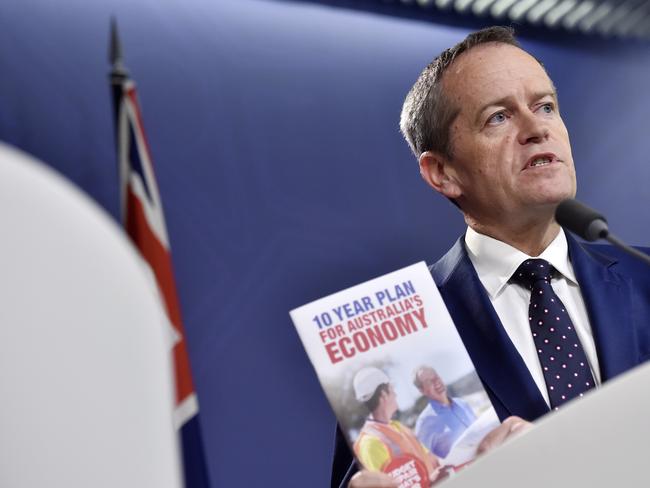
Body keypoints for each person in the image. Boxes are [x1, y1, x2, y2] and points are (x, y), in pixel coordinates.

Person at [332, 26, 650, 488]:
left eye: (545, 107)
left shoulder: (645, 277)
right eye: (498, 117)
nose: (537, 128)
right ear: (442, 172)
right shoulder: (397, 335)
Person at [351, 367, 441, 484]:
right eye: (392, 389)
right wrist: (430, 480)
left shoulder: (397, 426)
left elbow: (426, 457)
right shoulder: (370, 443)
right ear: (384, 395)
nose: (396, 394)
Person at [412, 366, 476, 458]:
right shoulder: (424, 423)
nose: (436, 382)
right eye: (429, 381)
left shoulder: (463, 404)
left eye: (436, 377)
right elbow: (428, 461)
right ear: (422, 390)